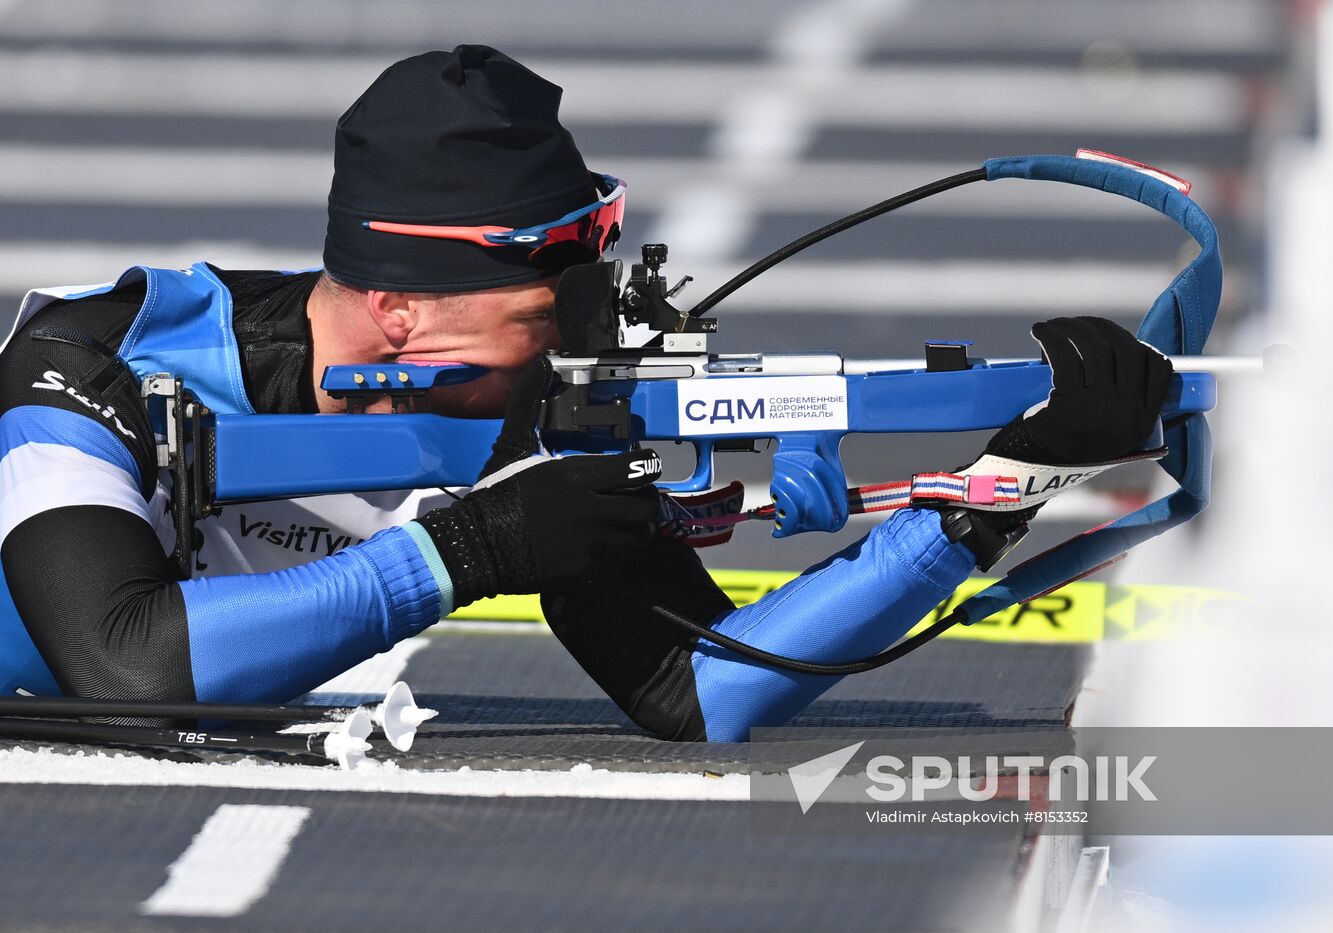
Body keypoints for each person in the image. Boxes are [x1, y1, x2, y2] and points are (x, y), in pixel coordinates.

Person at [0, 46, 1170, 742]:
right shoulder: (96, 358)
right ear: (402, 308)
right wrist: (462, 553)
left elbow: (700, 688)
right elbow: (126, 671)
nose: (567, 340)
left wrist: (993, 493)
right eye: (536, 310)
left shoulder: (523, 402)